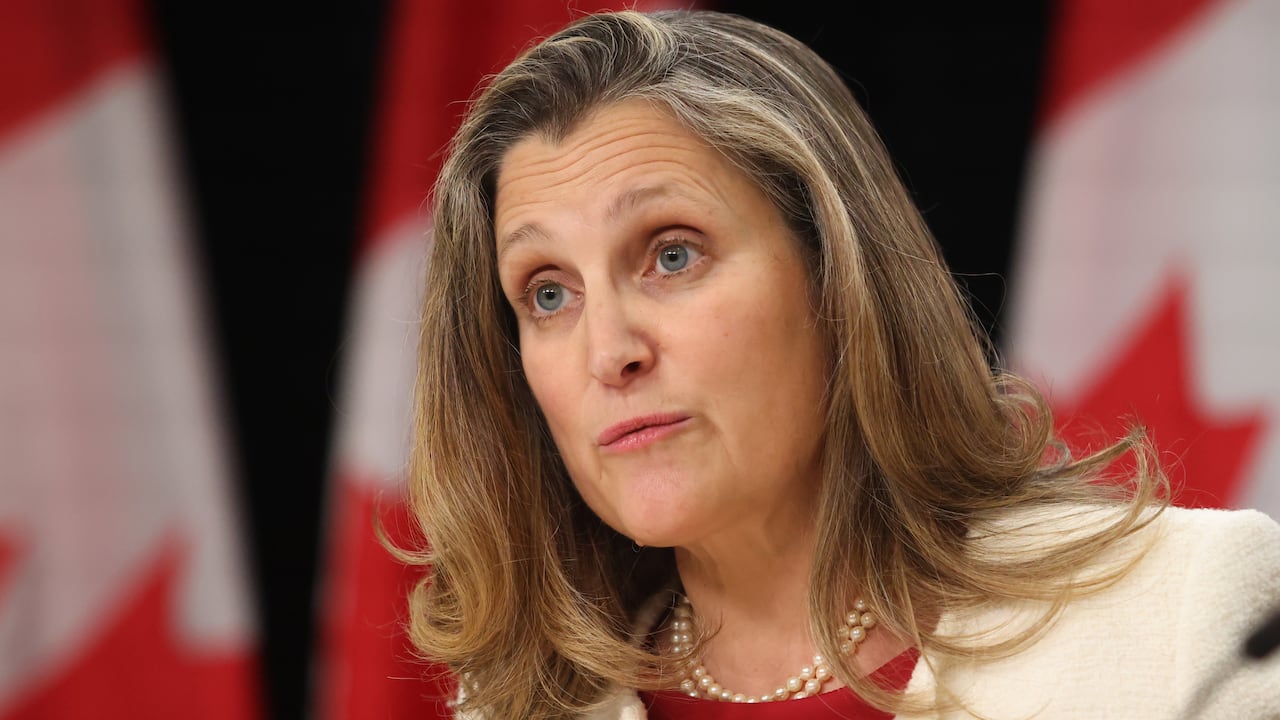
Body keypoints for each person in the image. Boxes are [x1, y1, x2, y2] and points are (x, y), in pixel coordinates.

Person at [400, 9, 1280, 719]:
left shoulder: (1180, 618)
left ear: (837, 277)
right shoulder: (518, 709)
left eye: (672, 255)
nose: (610, 352)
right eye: (547, 294)